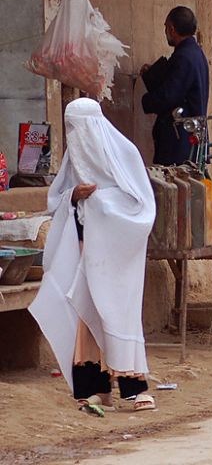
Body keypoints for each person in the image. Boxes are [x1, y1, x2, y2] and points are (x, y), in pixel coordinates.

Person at [29, 98, 157, 415]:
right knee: (86, 317)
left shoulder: (124, 154)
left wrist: (100, 202)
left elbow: (142, 208)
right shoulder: (75, 162)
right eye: (70, 128)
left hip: (117, 259)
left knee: (118, 314)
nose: (76, 135)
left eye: (79, 127)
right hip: (86, 255)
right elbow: (56, 199)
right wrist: (75, 196)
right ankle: (93, 388)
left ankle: (134, 388)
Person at [140, 6, 209, 166]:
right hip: (189, 133)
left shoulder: (184, 57)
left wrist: (146, 101)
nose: (166, 32)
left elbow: (170, 96)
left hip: (180, 138)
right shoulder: (195, 53)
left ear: (172, 29)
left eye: (166, 27)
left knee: (179, 184)